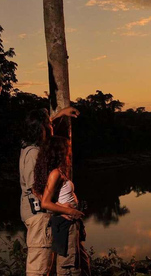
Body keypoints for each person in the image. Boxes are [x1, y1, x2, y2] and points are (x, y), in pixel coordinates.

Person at [19, 106, 79, 275]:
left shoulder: (28, 144)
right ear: (41, 129)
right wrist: (62, 208)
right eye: (48, 125)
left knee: (49, 265)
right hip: (38, 217)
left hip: (42, 215)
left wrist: (60, 114)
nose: (51, 127)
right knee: (39, 268)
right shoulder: (33, 153)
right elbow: (35, 189)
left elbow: (39, 123)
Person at [33, 136, 90, 276]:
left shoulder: (59, 171)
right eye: (67, 148)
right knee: (68, 267)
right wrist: (69, 210)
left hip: (70, 223)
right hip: (65, 223)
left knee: (80, 262)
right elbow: (45, 202)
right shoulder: (55, 173)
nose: (69, 151)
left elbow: (40, 193)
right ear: (59, 151)